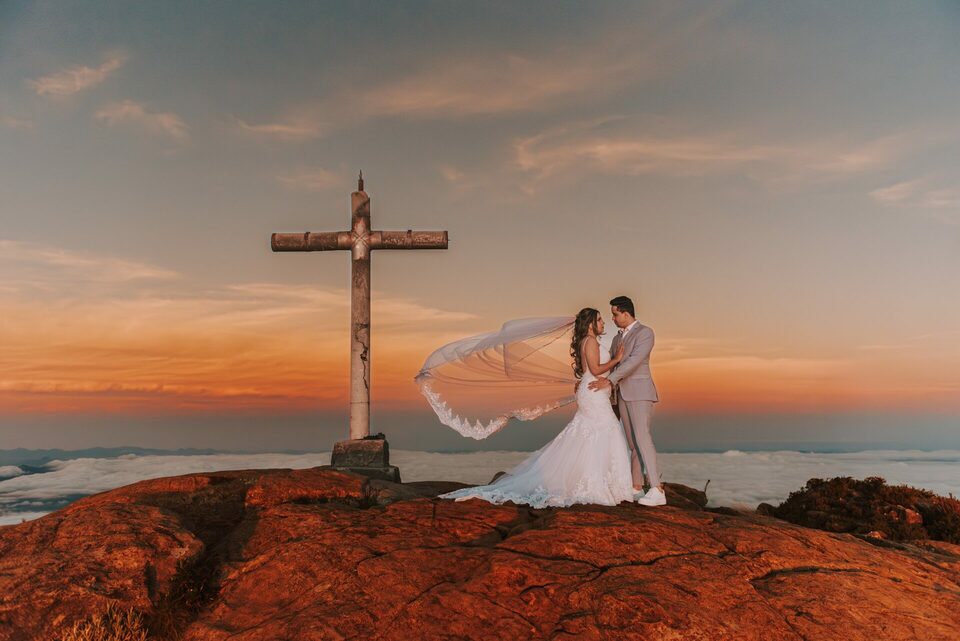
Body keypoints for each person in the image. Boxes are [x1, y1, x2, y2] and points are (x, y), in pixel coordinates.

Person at [437, 308, 637, 508]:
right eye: (599, 319)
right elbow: (595, 369)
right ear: (590, 324)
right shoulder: (591, 341)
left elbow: (589, 371)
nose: (603, 323)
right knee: (603, 430)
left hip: (591, 390)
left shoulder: (587, 341)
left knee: (590, 433)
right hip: (593, 392)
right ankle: (599, 484)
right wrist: (617, 359)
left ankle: (592, 481)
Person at [588, 295, 664, 506]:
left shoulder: (645, 333)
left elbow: (633, 361)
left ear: (626, 312)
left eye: (615, 314)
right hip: (621, 394)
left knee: (642, 437)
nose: (612, 318)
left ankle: (657, 488)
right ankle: (637, 487)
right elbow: (612, 365)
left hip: (640, 392)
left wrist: (610, 381)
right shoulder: (616, 339)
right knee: (632, 442)